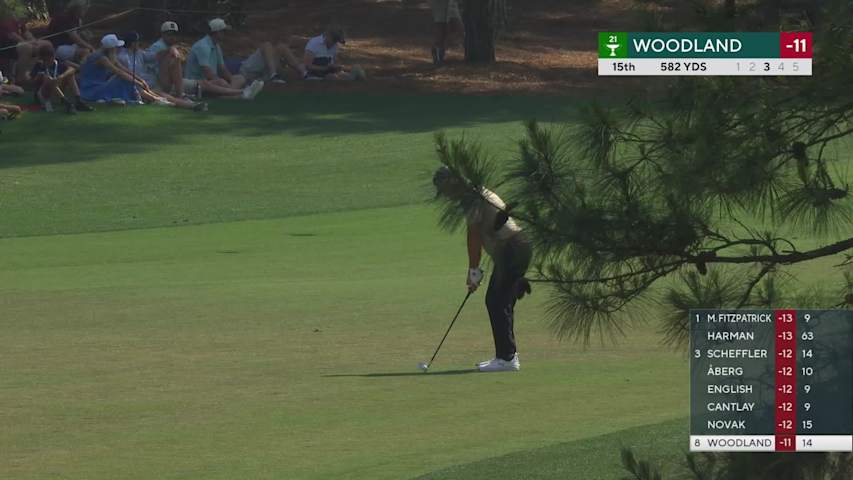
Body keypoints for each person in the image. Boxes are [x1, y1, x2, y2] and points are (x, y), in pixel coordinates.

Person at [432, 166, 533, 372]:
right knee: (501, 302)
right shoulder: (477, 192)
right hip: (518, 247)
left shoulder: (472, 197)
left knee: (495, 301)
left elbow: (474, 236)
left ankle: (507, 358)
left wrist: (473, 271)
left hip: (512, 248)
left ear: (452, 183)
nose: (446, 196)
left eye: (445, 190)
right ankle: (508, 355)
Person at [80, 34, 202, 112]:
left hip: (108, 85)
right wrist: (138, 82)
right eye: (116, 47)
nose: (118, 48)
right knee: (125, 80)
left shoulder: (110, 56)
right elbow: (119, 72)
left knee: (130, 81)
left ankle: (164, 101)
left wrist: (140, 80)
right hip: (93, 90)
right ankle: (161, 100)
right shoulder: (102, 58)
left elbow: (125, 70)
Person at [114, 32, 206, 111]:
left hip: (152, 82)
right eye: (137, 41)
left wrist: (169, 50)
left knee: (174, 60)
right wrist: (141, 83)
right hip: (142, 88)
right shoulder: (123, 57)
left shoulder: (139, 53)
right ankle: (193, 106)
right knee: (167, 97)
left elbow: (155, 56)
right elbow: (127, 76)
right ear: (132, 43)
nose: (139, 43)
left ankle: (181, 95)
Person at [185, 18, 263, 99]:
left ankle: (230, 93)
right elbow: (207, 72)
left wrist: (232, 80)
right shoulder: (203, 46)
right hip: (198, 83)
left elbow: (222, 68)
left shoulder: (216, 45)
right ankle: (241, 93)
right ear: (217, 32)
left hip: (211, 81)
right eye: (223, 31)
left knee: (239, 78)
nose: (225, 34)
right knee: (220, 82)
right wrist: (224, 84)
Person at [29, 43, 93, 114]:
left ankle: (78, 100)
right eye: (49, 57)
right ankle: (67, 103)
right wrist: (39, 77)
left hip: (57, 90)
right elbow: (32, 82)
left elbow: (72, 69)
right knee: (48, 79)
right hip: (43, 94)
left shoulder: (57, 62)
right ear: (43, 57)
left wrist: (61, 76)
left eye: (52, 56)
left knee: (69, 75)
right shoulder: (39, 65)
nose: (51, 59)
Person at [0, 9, 51, 83]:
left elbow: (27, 33)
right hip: (7, 47)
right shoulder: (7, 20)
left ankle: (47, 73)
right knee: (27, 47)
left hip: (18, 44)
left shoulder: (19, 22)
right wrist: (29, 43)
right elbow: (13, 36)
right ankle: (20, 77)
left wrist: (35, 42)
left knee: (46, 44)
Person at [430, 0, 463, 65]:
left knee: (457, 29)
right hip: (440, 5)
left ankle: (439, 55)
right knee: (440, 29)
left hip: (450, 4)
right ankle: (438, 56)